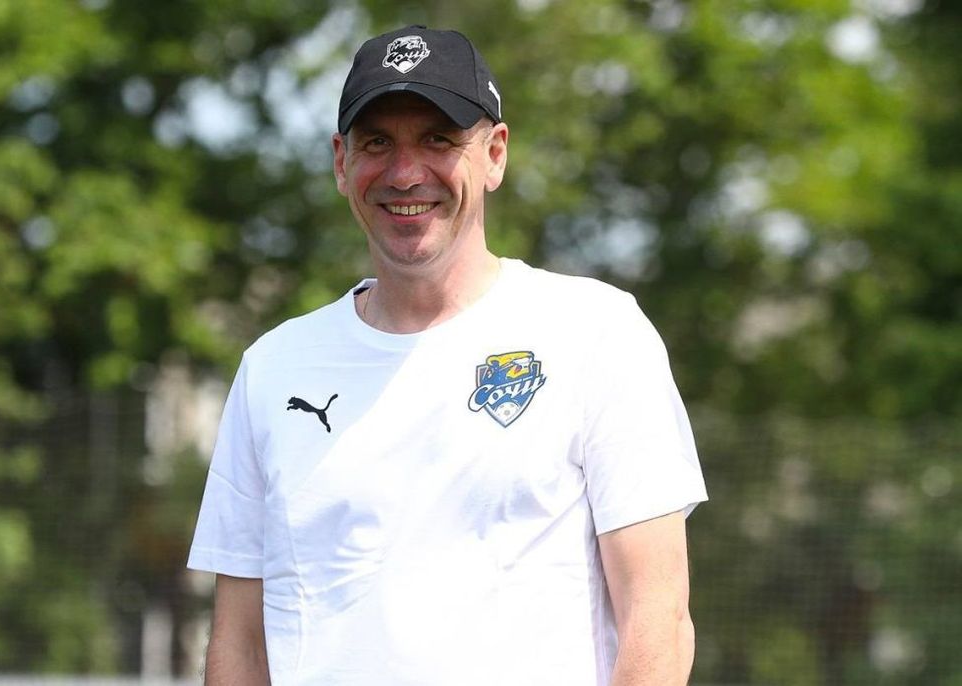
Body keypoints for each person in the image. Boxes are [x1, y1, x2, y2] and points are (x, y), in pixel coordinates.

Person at [188, 24, 708, 686]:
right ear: (341, 162)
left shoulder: (596, 333)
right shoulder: (274, 367)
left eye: (438, 139)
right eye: (378, 142)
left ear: (495, 154)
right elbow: (239, 643)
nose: (406, 174)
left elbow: (657, 619)